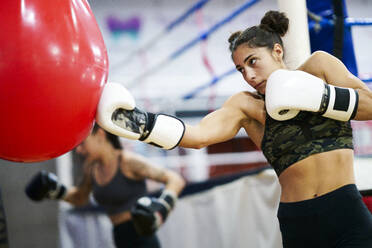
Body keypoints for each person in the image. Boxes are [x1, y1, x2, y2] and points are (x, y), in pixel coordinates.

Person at [95, 10, 372, 247]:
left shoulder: (318, 67)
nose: (249, 76)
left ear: (277, 51)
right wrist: (139, 123)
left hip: (344, 209)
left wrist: (322, 97)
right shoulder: (247, 106)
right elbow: (197, 136)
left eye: (253, 62)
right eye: (240, 69)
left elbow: (369, 104)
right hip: (298, 220)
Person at [25, 124, 186, 248]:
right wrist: (55, 190)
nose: (79, 150)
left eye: (83, 144)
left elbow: (175, 179)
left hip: (142, 237)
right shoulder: (92, 169)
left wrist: (161, 210)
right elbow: (80, 197)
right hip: (119, 235)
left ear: (100, 135)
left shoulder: (127, 161)